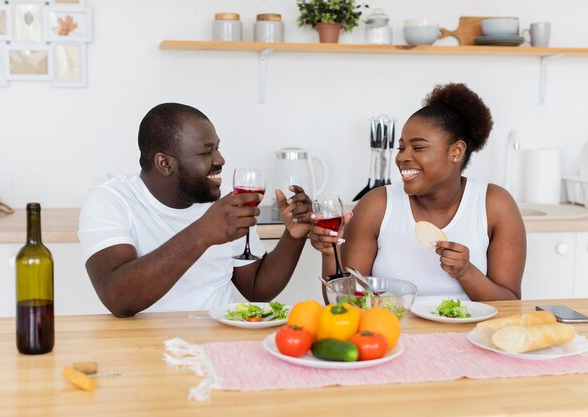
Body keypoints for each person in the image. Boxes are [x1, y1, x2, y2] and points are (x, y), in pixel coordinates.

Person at [78, 103, 312, 317]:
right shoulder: (110, 200)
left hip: (218, 341)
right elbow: (118, 298)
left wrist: (293, 237)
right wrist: (202, 233)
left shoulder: (226, 202)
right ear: (165, 163)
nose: (220, 159)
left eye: (217, 148)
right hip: (144, 347)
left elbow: (257, 289)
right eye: (206, 152)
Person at [310, 83, 526, 301]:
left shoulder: (495, 205)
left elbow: (510, 304)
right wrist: (330, 254)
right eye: (401, 147)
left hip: (469, 335)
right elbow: (344, 304)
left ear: (456, 151)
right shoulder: (376, 205)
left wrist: (466, 272)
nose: (402, 157)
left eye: (418, 147)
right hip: (393, 332)